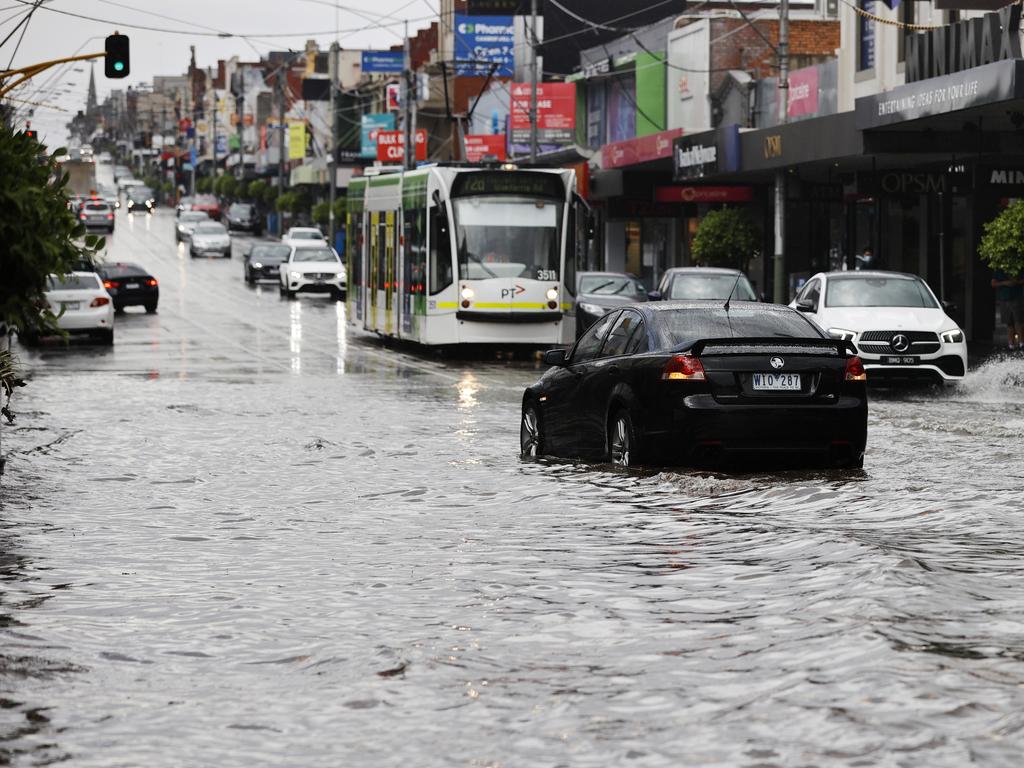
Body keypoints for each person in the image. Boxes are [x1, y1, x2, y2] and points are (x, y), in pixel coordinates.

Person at [992, 269, 1024, 349]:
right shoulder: (999, 270)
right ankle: (1011, 344)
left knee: (1019, 322)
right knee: (1009, 323)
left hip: (1017, 298)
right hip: (1004, 299)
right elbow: (993, 283)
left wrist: (1016, 282)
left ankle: (1021, 343)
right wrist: (1005, 283)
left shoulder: (1018, 268)